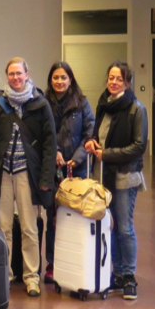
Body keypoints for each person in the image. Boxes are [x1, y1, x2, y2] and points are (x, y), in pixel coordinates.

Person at [0, 57, 56, 297]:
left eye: (18, 73)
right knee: (3, 229)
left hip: (27, 174)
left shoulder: (40, 104)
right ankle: (5, 275)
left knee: (29, 228)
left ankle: (31, 277)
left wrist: (46, 179)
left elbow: (50, 145)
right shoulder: (0, 105)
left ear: (26, 74)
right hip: (3, 173)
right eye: (11, 74)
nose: (15, 77)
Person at [84, 61, 147, 300]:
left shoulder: (136, 109)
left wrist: (107, 154)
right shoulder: (104, 104)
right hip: (103, 175)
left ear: (127, 82)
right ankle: (117, 273)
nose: (114, 82)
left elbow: (138, 146)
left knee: (124, 227)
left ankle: (128, 276)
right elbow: (98, 133)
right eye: (111, 78)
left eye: (119, 79)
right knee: (109, 225)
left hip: (125, 176)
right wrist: (92, 141)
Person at [45, 61, 94, 283]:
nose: (59, 81)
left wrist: (77, 157)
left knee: (75, 216)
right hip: (52, 168)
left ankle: (76, 261)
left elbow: (90, 133)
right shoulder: (44, 102)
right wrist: (54, 151)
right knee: (53, 218)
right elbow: (44, 133)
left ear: (70, 79)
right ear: (50, 80)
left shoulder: (81, 103)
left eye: (63, 77)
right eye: (55, 77)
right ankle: (52, 263)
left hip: (77, 168)